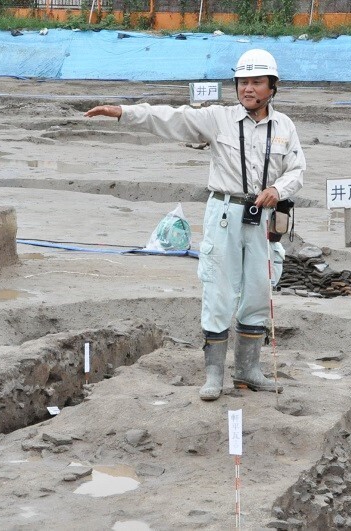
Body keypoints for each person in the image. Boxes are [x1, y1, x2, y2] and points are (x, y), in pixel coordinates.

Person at [85, 49, 306, 401]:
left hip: (264, 217)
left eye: (256, 82)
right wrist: (124, 113)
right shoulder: (218, 119)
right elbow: (170, 118)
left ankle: (248, 371)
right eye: (243, 82)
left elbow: (297, 169)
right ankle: (214, 374)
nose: (248, 89)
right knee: (218, 291)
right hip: (225, 214)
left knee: (258, 291)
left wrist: (278, 189)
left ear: (272, 87)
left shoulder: (284, 127)